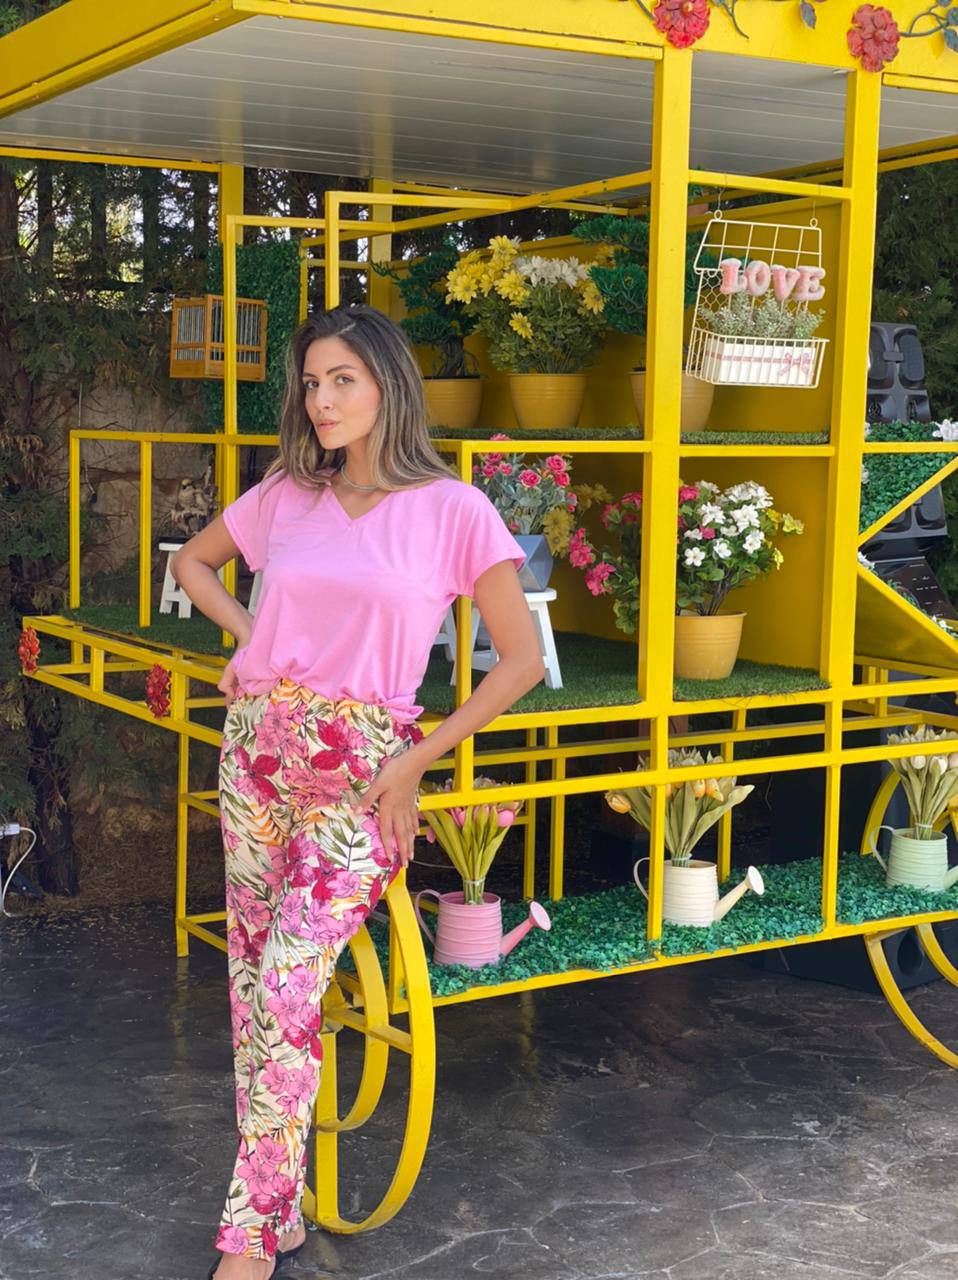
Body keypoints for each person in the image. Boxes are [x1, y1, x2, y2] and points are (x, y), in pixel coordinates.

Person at [171, 304, 544, 1279]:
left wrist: (417, 761)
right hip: (254, 753)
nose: (320, 399)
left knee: (293, 979)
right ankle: (275, 1200)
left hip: (364, 773)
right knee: (253, 987)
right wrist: (245, 636)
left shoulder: (452, 508)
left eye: (341, 378)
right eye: (309, 381)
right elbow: (193, 562)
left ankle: (246, 1233)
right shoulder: (287, 493)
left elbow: (519, 660)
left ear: (387, 384)